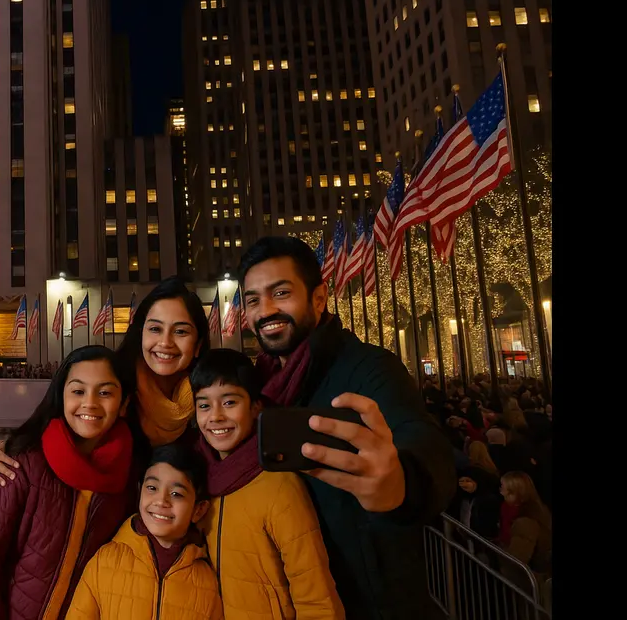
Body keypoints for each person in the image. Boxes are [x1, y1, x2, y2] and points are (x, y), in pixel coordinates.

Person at [233, 236, 455, 619]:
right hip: (296, 596)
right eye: (253, 300)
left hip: (367, 599)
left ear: (318, 299)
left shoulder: (369, 368)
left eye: (280, 292)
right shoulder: (259, 387)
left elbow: (422, 440)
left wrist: (402, 482)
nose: (265, 310)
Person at [0, 345, 138, 620]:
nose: (90, 403)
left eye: (105, 392)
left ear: (124, 403)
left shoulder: (129, 480)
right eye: (78, 391)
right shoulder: (20, 464)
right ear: (61, 396)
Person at [0, 277, 210, 485]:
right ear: (140, 333)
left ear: (198, 345)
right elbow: (50, 430)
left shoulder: (210, 401)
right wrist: (5, 452)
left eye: (180, 332)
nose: (165, 342)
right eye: (155, 329)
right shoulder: (111, 381)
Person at [188, 349, 342, 617]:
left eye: (229, 403)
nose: (215, 417)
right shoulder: (197, 480)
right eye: (204, 405)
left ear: (256, 407)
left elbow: (315, 595)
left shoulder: (279, 484)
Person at [65, 443, 224, 619]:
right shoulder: (104, 561)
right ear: (140, 491)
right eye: (152, 488)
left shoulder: (207, 583)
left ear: (198, 510)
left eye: (176, 494)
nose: (161, 501)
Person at [499, 471, 552, 575]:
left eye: (502, 487)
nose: (500, 491)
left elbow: (517, 560)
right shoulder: (539, 509)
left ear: (513, 492)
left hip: (530, 579)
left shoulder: (525, 522)